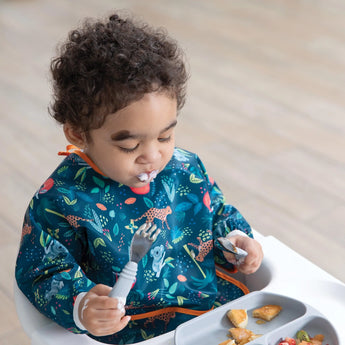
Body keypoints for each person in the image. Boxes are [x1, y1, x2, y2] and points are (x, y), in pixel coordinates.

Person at [15, 12, 263, 344]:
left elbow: (215, 213)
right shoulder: (60, 199)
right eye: (130, 144)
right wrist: (83, 305)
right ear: (79, 133)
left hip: (205, 312)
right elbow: (43, 271)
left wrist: (236, 240)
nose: (153, 156)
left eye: (165, 137)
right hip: (127, 329)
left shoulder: (185, 168)